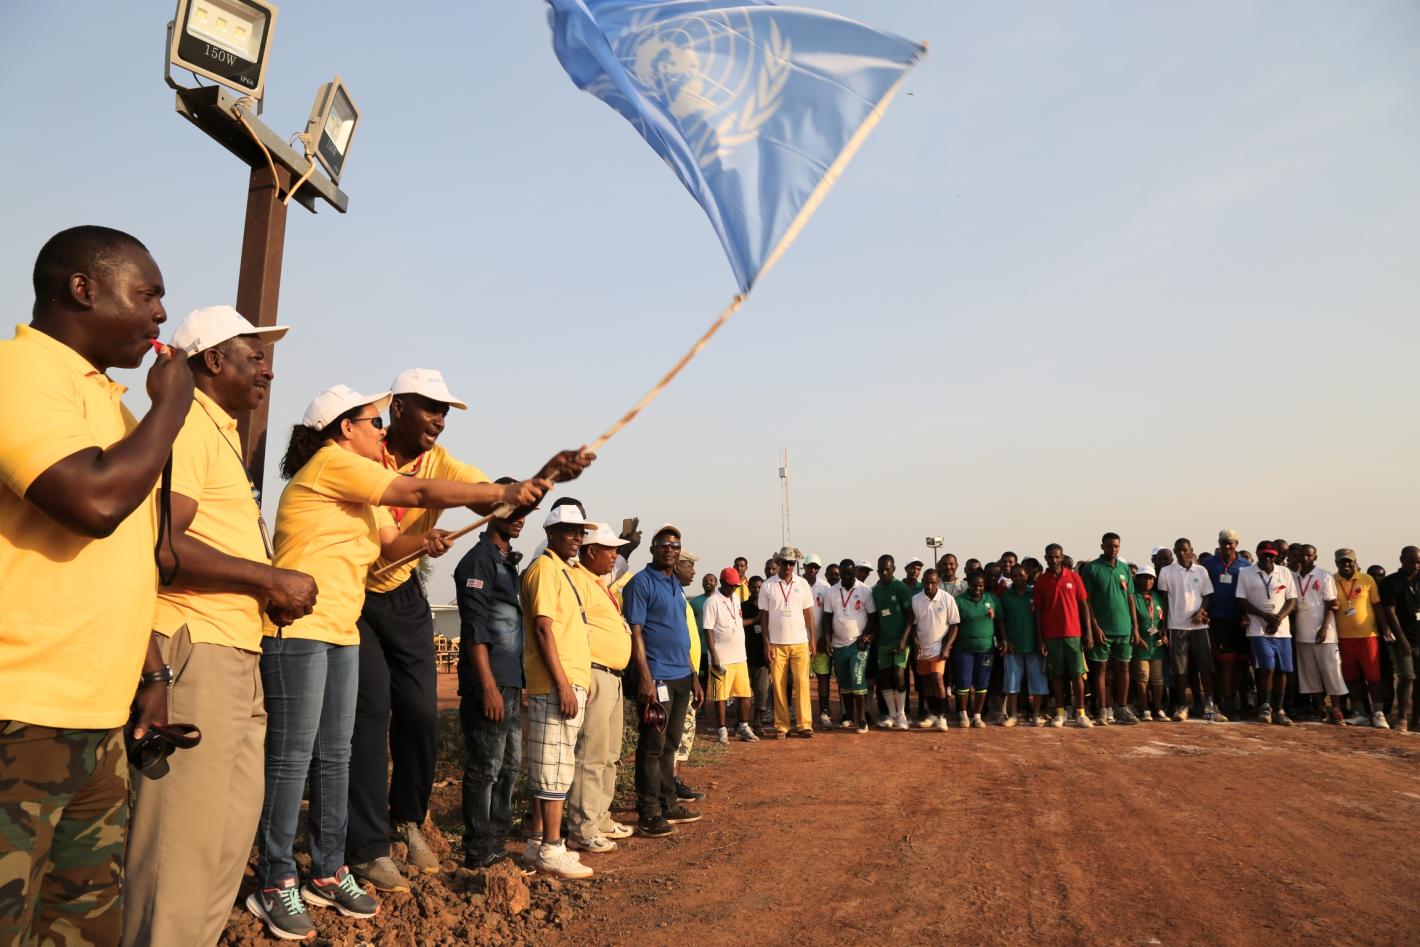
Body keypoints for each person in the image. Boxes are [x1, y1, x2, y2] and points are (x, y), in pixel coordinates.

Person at [247, 386, 548, 939]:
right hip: (302, 629)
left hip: (341, 628)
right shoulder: (333, 463)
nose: (381, 431)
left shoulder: (361, 492)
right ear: (345, 429)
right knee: (292, 759)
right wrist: (503, 489)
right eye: (374, 421)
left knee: (336, 755)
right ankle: (275, 878)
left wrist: (427, 538)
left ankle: (329, 869)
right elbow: (418, 488)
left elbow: (388, 545)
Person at [0, 227, 194, 945]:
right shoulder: (19, 372)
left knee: (82, 928)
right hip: (20, 715)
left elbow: (122, 561)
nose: (160, 315)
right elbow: (92, 503)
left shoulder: (111, 407)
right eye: (147, 294)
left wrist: (151, 670)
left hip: (97, 721)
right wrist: (171, 407)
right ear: (82, 288)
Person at [350, 369, 593, 889]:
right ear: (398, 407)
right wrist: (426, 537)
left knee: (420, 714)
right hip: (355, 593)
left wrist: (544, 477)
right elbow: (414, 502)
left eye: (445, 411)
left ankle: (408, 821)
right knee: (369, 716)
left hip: (403, 592)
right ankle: (367, 843)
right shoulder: (365, 452)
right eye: (431, 407)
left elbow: (492, 497)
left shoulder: (441, 460)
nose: (439, 419)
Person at [124, 306, 317, 947]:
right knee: (180, 853)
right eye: (255, 356)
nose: (268, 370)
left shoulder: (221, 434)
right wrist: (269, 579)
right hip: (195, 648)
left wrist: (262, 591)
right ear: (212, 360)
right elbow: (164, 546)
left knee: (222, 848)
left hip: (235, 649)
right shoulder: (186, 427)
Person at [517, 506, 596, 879]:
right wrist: (563, 683)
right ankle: (551, 847)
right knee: (554, 768)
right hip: (554, 683)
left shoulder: (562, 571)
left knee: (552, 765)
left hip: (564, 681)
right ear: (551, 533)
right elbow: (543, 629)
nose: (578, 537)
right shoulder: (545, 570)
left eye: (581, 531)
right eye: (570, 531)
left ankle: (538, 842)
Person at [454, 485, 528, 870]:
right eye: (514, 510)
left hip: (509, 681)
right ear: (493, 512)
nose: (521, 519)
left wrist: (517, 683)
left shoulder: (506, 561)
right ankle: (478, 848)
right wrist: (487, 686)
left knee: (510, 766)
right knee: (485, 767)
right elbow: (474, 627)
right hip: (489, 682)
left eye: (525, 511)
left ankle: (497, 842)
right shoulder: (477, 562)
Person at [624, 526, 704, 837]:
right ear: (653, 549)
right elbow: (636, 633)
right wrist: (645, 678)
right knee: (652, 747)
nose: (670, 549)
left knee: (670, 745)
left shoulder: (674, 584)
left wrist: (693, 676)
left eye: (675, 545)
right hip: (657, 677)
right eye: (663, 544)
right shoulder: (640, 583)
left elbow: (680, 632)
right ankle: (648, 813)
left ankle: (668, 803)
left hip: (681, 676)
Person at [566, 523, 635, 853]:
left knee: (609, 755)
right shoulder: (576, 579)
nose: (615, 556)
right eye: (610, 550)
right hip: (595, 672)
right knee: (591, 754)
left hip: (614, 675)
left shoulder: (597, 582)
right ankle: (582, 826)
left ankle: (600, 816)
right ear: (591, 551)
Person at [1079, 532, 1141, 725]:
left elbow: (1130, 599)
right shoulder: (1092, 568)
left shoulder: (1124, 568)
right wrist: (1095, 627)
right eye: (1109, 546)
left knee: (1124, 667)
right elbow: (1086, 601)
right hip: (1103, 629)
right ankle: (1103, 709)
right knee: (1101, 670)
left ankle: (1121, 707)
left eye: (1116, 546)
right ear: (1102, 546)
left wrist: (1135, 627)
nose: (1113, 549)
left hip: (1124, 628)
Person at [757, 547, 818, 739]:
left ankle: (804, 724)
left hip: (800, 642)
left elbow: (808, 613)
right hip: (777, 643)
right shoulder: (768, 585)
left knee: (802, 683)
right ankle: (782, 726)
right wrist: (766, 643)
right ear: (778, 563)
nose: (788, 566)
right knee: (779, 685)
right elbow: (764, 617)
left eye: (792, 563)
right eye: (785, 562)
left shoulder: (803, 584)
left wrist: (812, 638)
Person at [1156, 538, 1219, 721]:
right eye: (1178, 551)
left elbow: (1207, 596)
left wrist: (1201, 611)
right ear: (1175, 552)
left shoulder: (1201, 570)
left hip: (1199, 626)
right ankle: (1182, 705)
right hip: (1176, 626)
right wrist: (1163, 625)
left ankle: (1209, 704)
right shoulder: (1167, 571)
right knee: (1180, 669)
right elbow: (1164, 601)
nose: (1182, 553)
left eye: (1185, 550)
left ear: (1191, 550)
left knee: (1205, 667)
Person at [1235, 543, 1297, 726]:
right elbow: (1240, 599)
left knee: (1282, 669)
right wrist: (1264, 615)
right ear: (1258, 554)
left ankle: (1279, 709)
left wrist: (1278, 618)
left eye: (1271, 555)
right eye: (1264, 555)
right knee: (1267, 667)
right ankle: (1265, 706)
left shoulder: (1284, 572)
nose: (1268, 559)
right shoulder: (1246, 573)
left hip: (1281, 629)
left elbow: (1292, 600)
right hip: (1258, 628)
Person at [1034, 544, 1094, 729]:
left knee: (1077, 675)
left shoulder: (1073, 577)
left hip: (1073, 635)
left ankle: (1081, 713)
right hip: (1052, 636)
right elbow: (1038, 612)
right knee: (1057, 676)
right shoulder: (1041, 581)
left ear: (1062, 557)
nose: (1054, 560)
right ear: (1045, 558)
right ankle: (1060, 713)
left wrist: (1088, 632)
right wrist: (1041, 639)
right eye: (1050, 557)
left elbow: (1084, 605)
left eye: (1057, 556)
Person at [1291, 545, 1347, 724]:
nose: (1305, 558)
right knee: (1310, 674)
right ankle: (1320, 707)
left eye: (1309, 555)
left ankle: (1336, 709)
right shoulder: (1293, 577)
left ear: (1315, 557)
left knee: (1331, 671)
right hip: (1302, 633)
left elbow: (1331, 603)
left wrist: (1324, 628)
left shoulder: (1324, 575)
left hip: (1325, 634)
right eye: (1302, 555)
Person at [1347, 549, 1402, 729]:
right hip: (1359, 639)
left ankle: (1384, 711)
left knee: (1383, 677)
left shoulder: (1387, 593)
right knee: (1357, 676)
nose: (1377, 578)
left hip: (1383, 642)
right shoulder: (1361, 591)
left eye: (1380, 575)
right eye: (1374, 575)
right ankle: (1362, 712)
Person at [704, 566, 759, 744]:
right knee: (720, 696)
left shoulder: (735, 598)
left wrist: (755, 620)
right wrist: (714, 655)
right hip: (721, 658)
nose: (733, 588)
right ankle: (722, 729)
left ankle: (743, 726)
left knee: (744, 694)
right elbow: (708, 630)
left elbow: (737, 622)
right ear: (721, 582)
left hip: (740, 657)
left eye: (736, 585)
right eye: (730, 585)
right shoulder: (712, 602)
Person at [822, 557, 876, 732]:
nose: (846, 577)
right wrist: (828, 640)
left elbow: (872, 616)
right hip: (838, 645)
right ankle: (849, 716)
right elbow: (827, 618)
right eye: (843, 574)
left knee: (857, 679)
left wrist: (865, 636)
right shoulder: (831, 592)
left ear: (855, 573)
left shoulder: (865, 590)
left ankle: (862, 720)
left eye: (850, 574)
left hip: (857, 644)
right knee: (844, 682)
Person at [1204, 529, 1251, 718]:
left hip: (1240, 620)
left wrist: (1246, 614)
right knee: (1226, 662)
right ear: (1219, 543)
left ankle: (1233, 700)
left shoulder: (1245, 565)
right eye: (1224, 542)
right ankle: (1226, 702)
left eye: (1230, 542)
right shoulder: (1209, 564)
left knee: (1240, 662)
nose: (1227, 546)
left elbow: (1249, 593)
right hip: (1218, 619)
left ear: (1236, 544)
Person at [671, 550, 706, 803]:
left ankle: (674, 780)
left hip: (687, 671)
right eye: (689, 566)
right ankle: (669, 784)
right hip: (679, 673)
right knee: (675, 732)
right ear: (676, 567)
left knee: (684, 732)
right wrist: (692, 674)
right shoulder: (672, 593)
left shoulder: (680, 593)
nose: (693, 571)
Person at [952, 572, 1003, 728]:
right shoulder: (959, 601)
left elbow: (1000, 621)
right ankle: (963, 714)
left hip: (986, 649)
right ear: (968, 585)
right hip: (963, 649)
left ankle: (977, 716)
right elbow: (953, 625)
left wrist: (1004, 639)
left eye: (980, 585)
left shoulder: (991, 599)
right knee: (963, 682)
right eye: (974, 585)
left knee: (982, 682)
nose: (977, 588)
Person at [999, 564, 1047, 727]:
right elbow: (1001, 620)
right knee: (1012, 682)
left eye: (1021, 575)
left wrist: (1041, 641)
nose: (1017, 578)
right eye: (1014, 575)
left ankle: (1036, 714)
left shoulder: (1034, 593)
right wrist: (1006, 640)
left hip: (1034, 646)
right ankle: (1013, 714)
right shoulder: (1006, 596)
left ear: (1027, 575)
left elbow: (1042, 618)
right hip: (1013, 647)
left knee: (1038, 682)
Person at [871, 554, 915, 730]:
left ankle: (902, 714)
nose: (884, 573)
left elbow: (911, 616)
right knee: (885, 678)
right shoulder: (875, 590)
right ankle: (891, 714)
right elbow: (875, 616)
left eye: (887, 569)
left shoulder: (901, 588)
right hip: (883, 642)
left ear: (893, 569)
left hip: (900, 642)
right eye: (881, 570)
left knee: (899, 676)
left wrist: (904, 639)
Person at [1131, 564, 1169, 721]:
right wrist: (1138, 638)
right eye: (1144, 578)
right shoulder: (1134, 597)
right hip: (1141, 643)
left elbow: (1161, 619)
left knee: (1158, 678)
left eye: (1151, 578)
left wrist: (1163, 631)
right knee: (1142, 676)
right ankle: (1145, 709)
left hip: (1156, 644)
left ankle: (1158, 708)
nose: (1148, 581)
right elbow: (1131, 621)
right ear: (1138, 579)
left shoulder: (1157, 597)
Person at [812, 561, 840, 727]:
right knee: (801, 679)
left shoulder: (826, 588)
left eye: (815, 567)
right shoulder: (801, 585)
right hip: (804, 642)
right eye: (809, 566)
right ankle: (801, 712)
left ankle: (824, 710)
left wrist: (824, 638)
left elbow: (829, 617)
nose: (812, 569)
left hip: (823, 642)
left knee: (824, 677)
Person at [743, 575, 770, 728]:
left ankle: (758, 723)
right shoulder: (742, 606)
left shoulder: (768, 607)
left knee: (761, 692)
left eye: (759, 587)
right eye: (753, 587)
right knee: (744, 693)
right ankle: (742, 722)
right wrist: (755, 619)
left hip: (762, 656)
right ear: (748, 588)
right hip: (745, 655)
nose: (756, 590)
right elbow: (738, 624)